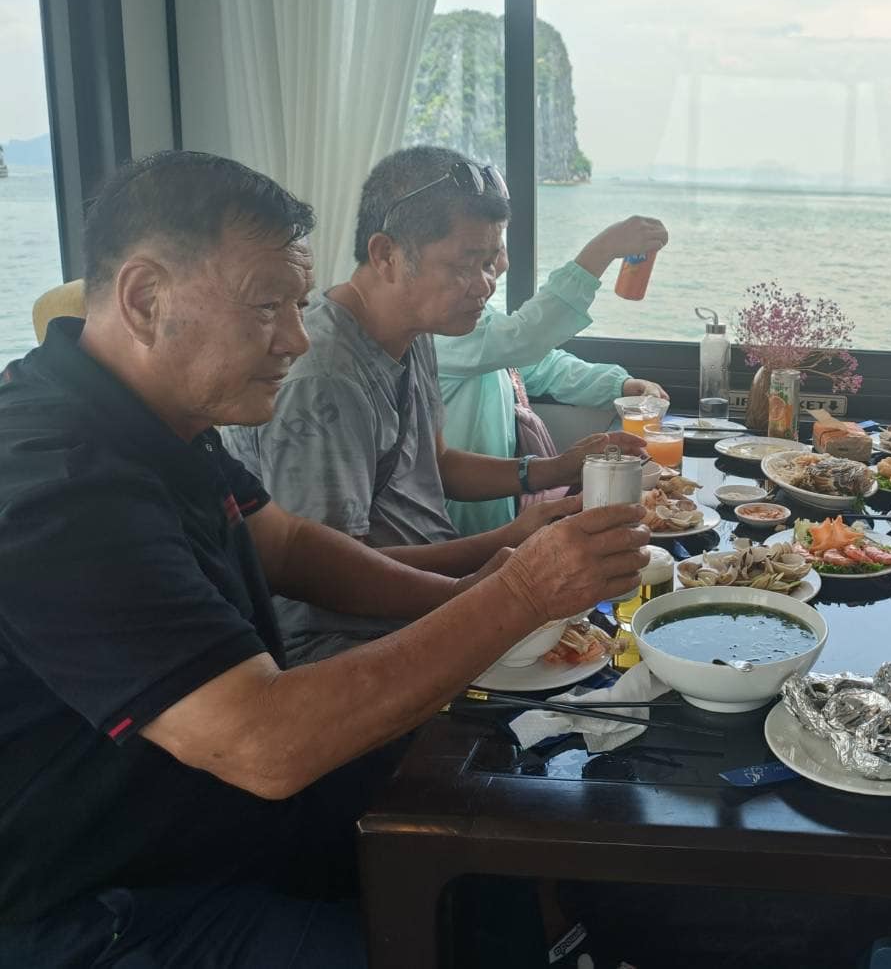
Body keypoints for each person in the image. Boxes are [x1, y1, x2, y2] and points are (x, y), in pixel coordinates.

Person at [0, 151, 648, 966]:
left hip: (213, 814)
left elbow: (289, 544)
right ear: (143, 299)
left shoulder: (158, 417)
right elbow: (262, 742)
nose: (296, 338)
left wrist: (468, 590)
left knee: (495, 822)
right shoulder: (57, 484)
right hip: (109, 898)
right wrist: (518, 592)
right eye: (266, 307)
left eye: (299, 305)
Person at [221, 146, 647, 663]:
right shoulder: (326, 380)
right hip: (346, 641)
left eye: (491, 263)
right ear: (387, 255)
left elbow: (438, 463)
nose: (486, 284)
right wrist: (504, 550)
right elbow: (334, 575)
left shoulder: (415, 331)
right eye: (466, 264)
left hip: (429, 599)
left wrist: (555, 469)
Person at [435, 211, 670, 536]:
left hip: (497, 512)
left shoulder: (477, 319)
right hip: (453, 525)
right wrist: (603, 249)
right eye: (481, 257)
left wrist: (621, 384)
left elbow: (543, 367)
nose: (498, 264)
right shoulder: (440, 331)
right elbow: (524, 338)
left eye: (495, 251)